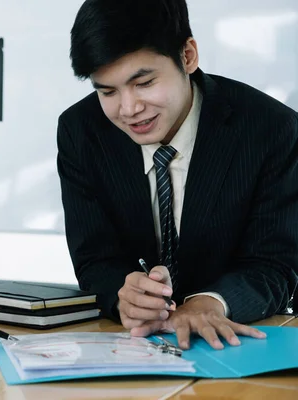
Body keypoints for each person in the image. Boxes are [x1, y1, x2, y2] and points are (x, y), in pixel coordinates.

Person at [58, 0, 298, 350]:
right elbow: (95, 258)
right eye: (107, 91)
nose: (129, 109)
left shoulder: (272, 129)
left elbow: (276, 264)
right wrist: (123, 295)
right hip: (134, 346)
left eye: (144, 82)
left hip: (236, 340)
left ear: (187, 56)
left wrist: (209, 302)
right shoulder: (81, 131)